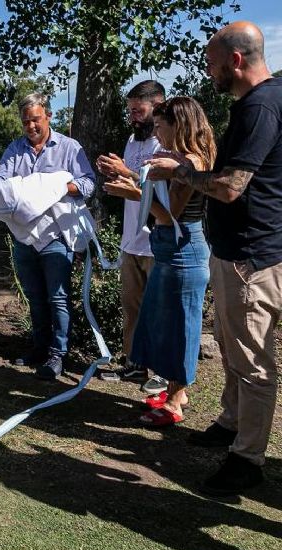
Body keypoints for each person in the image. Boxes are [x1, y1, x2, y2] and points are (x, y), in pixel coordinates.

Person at [147, 21, 282, 496]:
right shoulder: (263, 100)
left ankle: (246, 460)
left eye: (212, 64)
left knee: (253, 361)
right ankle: (229, 420)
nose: (209, 73)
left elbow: (229, 186)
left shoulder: (261, 107)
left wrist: (180, 170)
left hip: (252, 255)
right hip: (237, 251)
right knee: (229, 345)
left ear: (236, 61)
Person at [105, 97, 216, 427]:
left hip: (184, 250)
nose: (156, 132)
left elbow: (171, 216)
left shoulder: (192, 162)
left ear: (177, 125)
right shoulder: (177, 158)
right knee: (164, 326)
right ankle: (174, 392)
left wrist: (135, 194)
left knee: (181, 327)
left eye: (160, 126)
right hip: (169, 248)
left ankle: (174, 402)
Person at [0, 93, 95, 380]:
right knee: (35, 297)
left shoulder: (69, 147)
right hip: (24, 237)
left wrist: (59, 187)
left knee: (58, 297)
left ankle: (57, 355)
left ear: (48, 116)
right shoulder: (15, 149)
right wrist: (20, 190)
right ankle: (39, 348)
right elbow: (0, 181)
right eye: (26, 122)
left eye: (35, 119)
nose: (31, 126)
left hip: (56, 236)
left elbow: (88, 183)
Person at [97, 80, 170, 395]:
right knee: (133, 308)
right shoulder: (131, 140)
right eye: (130, 111)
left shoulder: (165, 142)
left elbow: (157, 188)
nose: (132, 117)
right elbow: (131, 185)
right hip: (131, 240)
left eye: (138, 111)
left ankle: (164, 373)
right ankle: (134, 363)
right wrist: (112, 174)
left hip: (156, 242)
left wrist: (125, 172)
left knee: (160, 311)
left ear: (157, 106)